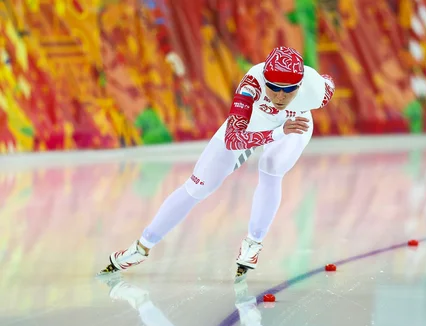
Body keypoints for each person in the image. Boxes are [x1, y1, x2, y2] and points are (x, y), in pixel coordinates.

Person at [98, 46, 335, 277]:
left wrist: (283, 133)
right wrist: (277, 132)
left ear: (300, 85)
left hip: (296, 126)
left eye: (289, 90)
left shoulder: (314, 90)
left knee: (271, 167)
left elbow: (328, 82)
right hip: (257, 126)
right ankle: (141, 247)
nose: (280, 97)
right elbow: (233, 139)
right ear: (265, 81)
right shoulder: (251, 84)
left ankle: (253, 243)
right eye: (273, 88)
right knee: (198, 185)